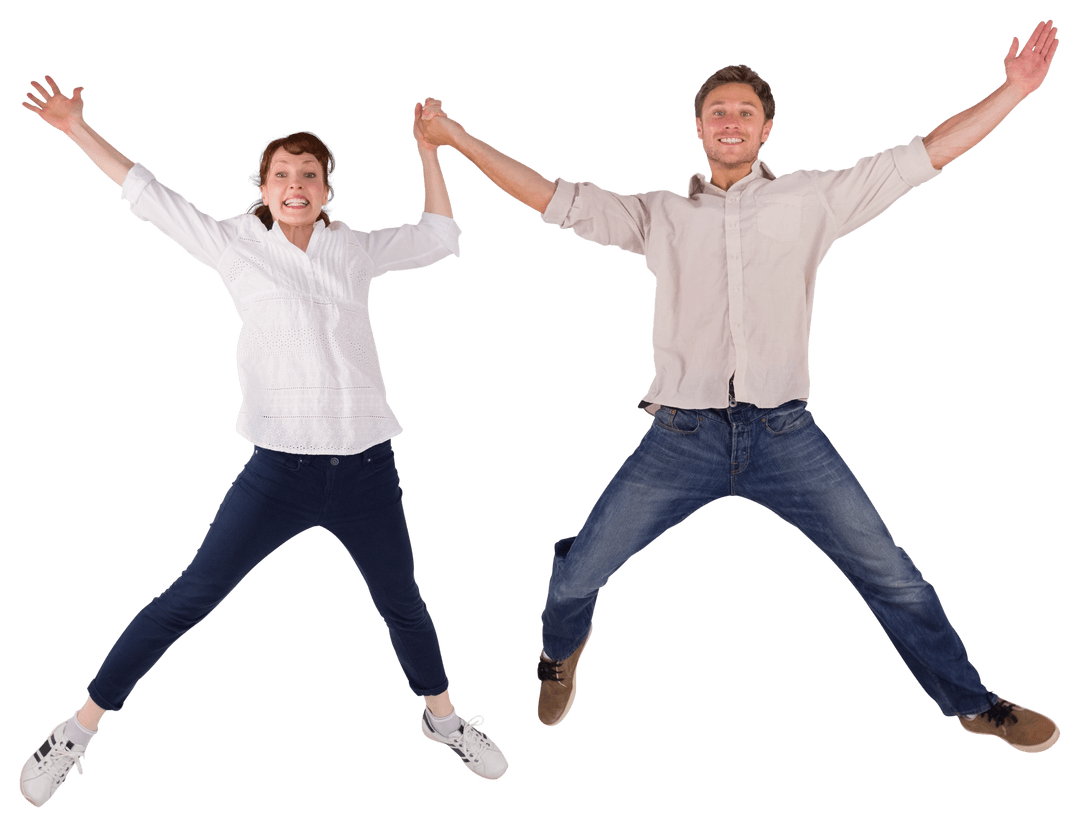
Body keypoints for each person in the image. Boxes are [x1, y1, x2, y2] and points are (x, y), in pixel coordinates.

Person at [415, 21, 1063, 752]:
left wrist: (1011, 92)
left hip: (786, 434)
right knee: (577, 577)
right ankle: (558, 653)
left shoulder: (813, 199)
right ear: (698, 128)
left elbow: (923, 157)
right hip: (680, 437)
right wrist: (457, 139)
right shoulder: (660, 213)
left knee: (895, 575)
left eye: (744, 113)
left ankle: (975, 703)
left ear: (766, 129)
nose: (731, 121)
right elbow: (551, 198)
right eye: (718, 111)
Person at [17, 78, 509, 809]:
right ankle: (77, 729)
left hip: (368, 468)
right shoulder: (236, 244)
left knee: (403, 600)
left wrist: (427, 148)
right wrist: (75, 128)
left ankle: (442, 720)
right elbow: (148, 193)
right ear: (265, 187)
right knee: (189, 596)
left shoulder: (354, 249)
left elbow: (441, 235)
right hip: (278, 471)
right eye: (283, 173)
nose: (297, 183)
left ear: (327, 188)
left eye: (310, 174)